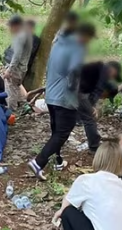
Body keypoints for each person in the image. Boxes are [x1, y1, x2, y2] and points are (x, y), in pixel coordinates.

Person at [28, 21, 88, 180]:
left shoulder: (56, 48)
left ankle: (58, 161)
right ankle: (38, 163)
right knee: (62, 133)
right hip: (65, 99)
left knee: (56, 132)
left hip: (51, 96)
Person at [77, 59, 122, 152]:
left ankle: (77, 120)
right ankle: (94, 147)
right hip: (79, 92)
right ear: (113, 70)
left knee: (85, 112)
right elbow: (98, 90)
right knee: (90, 118)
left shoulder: (96, 69)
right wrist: (92, 107)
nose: (112, 78)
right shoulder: (104, 71)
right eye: (114, 76)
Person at [4, 15, 33, 112]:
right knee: (16, 88)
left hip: (16, 69)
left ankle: (11, 112)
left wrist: (9, 70)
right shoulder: (27, 35)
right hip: (23, 68)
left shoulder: (19, 37)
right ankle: (25, 107)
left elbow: (17, 56)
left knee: (11, 90)